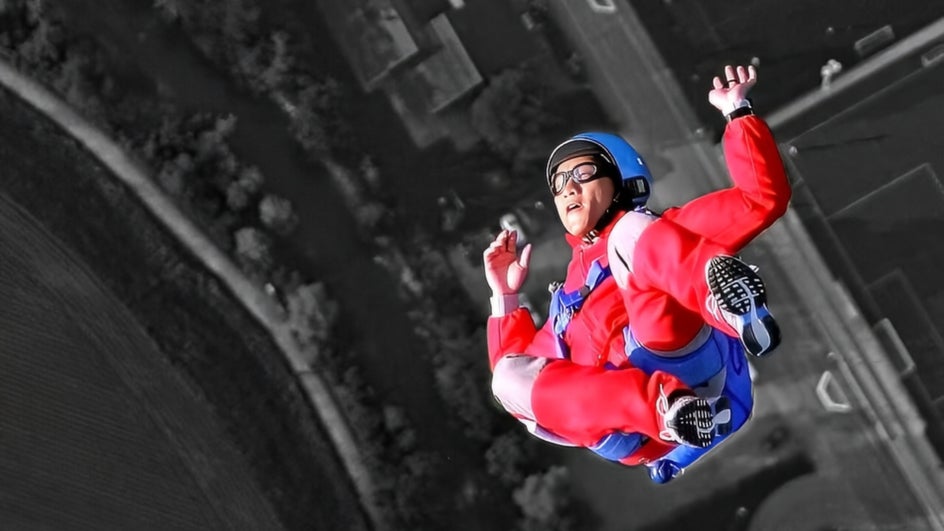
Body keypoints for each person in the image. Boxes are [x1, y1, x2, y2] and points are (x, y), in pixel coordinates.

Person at [483, 64, 791, 482]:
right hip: (635, 418)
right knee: (506, 378)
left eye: (582, 173)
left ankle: (726, 306)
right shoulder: (564, 307)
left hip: (679, 354)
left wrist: (737, 112)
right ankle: (666, 409)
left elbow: (761, 200)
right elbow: (516, 379)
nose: (567, 188)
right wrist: (504, 298)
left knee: (630, 231)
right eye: (558, 183)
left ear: (622, 178)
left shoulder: (655, 231)